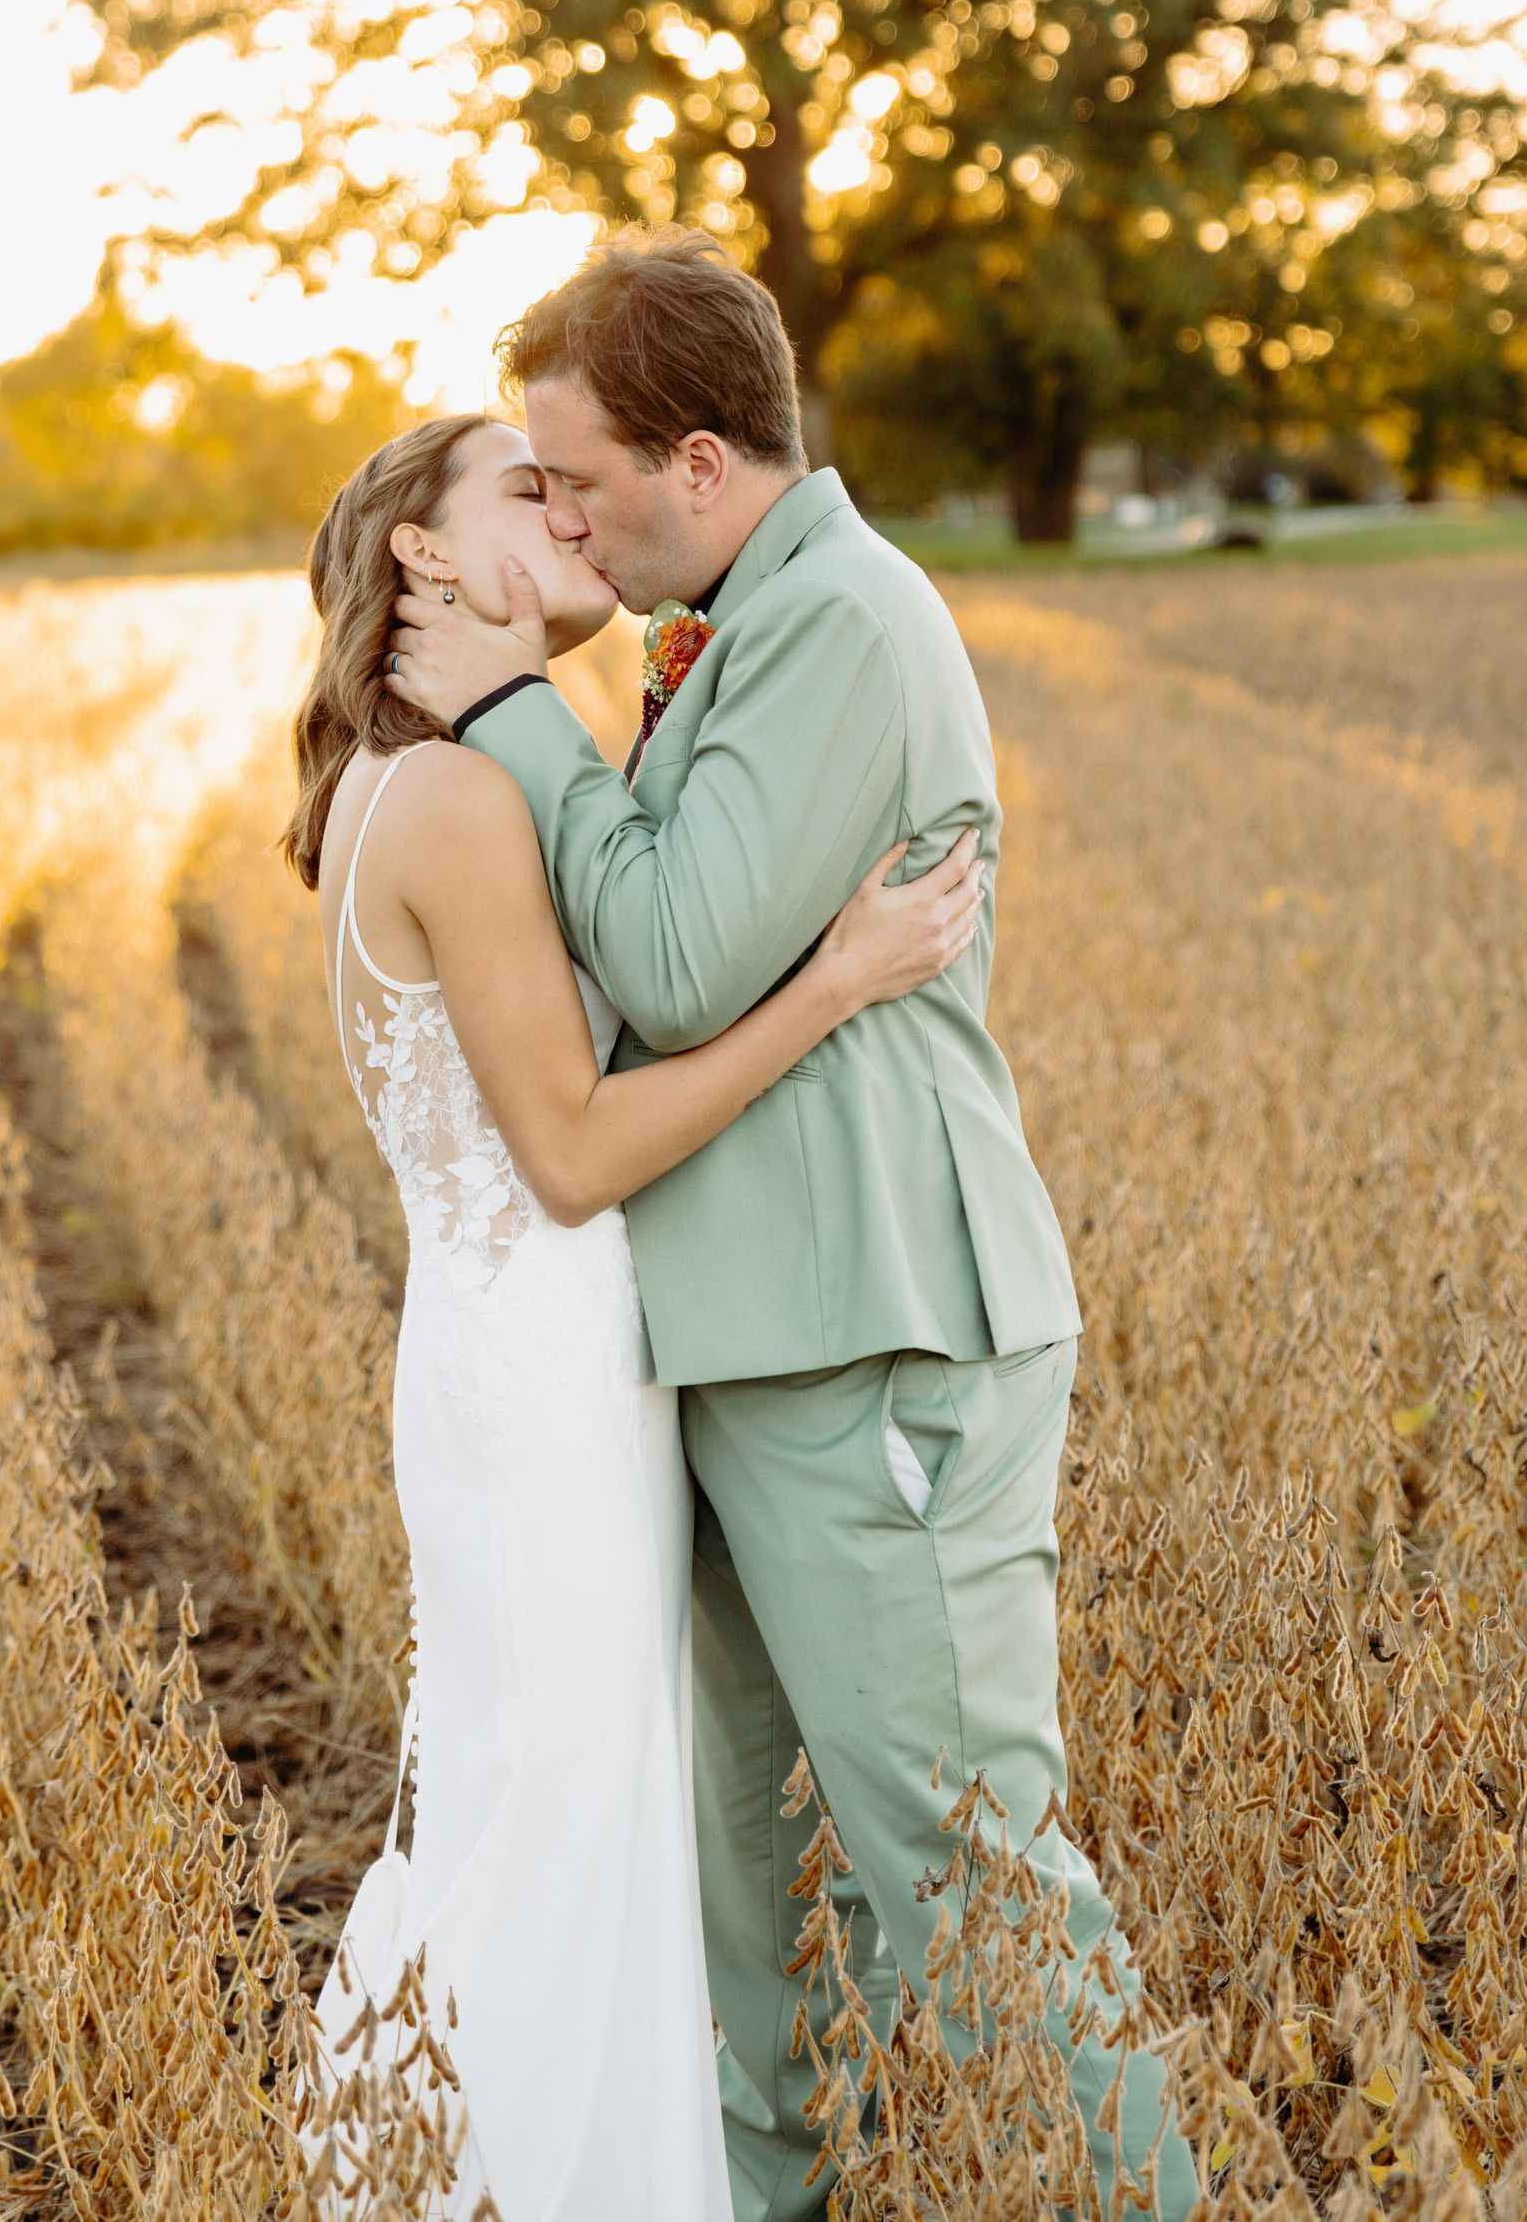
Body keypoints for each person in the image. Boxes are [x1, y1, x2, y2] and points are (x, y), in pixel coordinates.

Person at [384, 231, 1201, 2222]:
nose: (558, 516)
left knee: (968, 1872)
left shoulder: (836, 617)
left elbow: (666, 957)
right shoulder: (733, 620)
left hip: (878, 1341)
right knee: (750, 1919)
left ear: (692, 460)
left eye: (574, 479)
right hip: (758, 1352)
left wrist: (510, 718)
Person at [286, 410, 985, 2222]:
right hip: (543, 1379)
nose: (577, 515)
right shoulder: (448, 795)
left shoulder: (460, 773)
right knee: (558, 1828)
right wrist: (835, 980)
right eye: (528, 492)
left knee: (567, 1811)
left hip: (537, 1363)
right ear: (423, 563)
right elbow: (580, 1156)